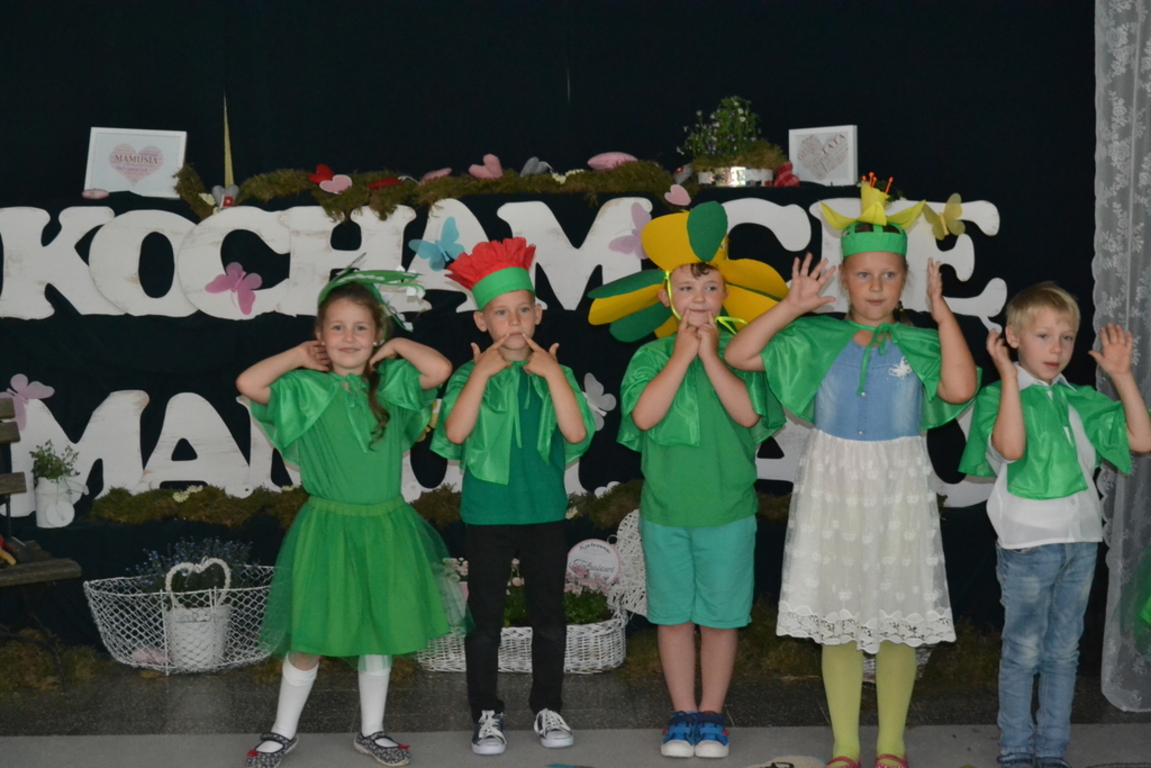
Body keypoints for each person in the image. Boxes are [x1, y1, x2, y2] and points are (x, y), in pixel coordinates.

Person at [724, 182, 979, 768]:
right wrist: (791, 306)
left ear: (904, 281)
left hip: (897, 487)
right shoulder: (816, 337)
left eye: (889, 276)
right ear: (844, 280)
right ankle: (845, 746)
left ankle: (891, 745)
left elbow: (961, 387)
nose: (876, 286)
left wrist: (942, 314)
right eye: (863, 275)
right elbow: (739, 355)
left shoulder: (920, 342)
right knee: (837, 618)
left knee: (895, 617)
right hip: (834, 484)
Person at [237, 272, 460, 768]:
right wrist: (298, 355)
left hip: (385, 527)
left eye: (362, 328)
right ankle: (281, 732)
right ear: (320, 334)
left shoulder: (393, 383)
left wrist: (397, 345)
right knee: (310, 633)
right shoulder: (303, 388)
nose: (349, 338)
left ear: (376, 335)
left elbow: (439, 369)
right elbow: (249, 383)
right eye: (336, 327)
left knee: (378, 632)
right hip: (328, 530)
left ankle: (373, 730)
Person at [588, 201, 786, 759]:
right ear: (665, 298)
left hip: (728, 513)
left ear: (726, 295)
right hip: (666, 514)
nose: (698, 299)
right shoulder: (649, 358)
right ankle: (682, 714)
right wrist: (680, 356)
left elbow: (748, 415)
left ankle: (712, 715)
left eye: (710, 288)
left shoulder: (743, 353)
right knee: (673, 619)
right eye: (686, 288)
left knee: (721, 621)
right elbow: (645, 416)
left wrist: (712, 357)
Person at [958, 282, 1151, 768]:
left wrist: (1122, 376)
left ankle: (1051, 750)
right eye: (1043, 336)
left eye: (1066, 338)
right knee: (1023, 651)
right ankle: (1016, 749)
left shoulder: (1081, 399)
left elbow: (1142, 439)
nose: (1056, 348)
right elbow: (1011, 449)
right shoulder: (996, 397)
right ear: (1013, 337)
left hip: (1081, 542)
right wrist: (1007, 377)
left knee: (1064, 653)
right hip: (1027, 544)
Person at [430, 236, 595, 756]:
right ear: (483, 322)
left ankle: (548, 706)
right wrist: (480, 373)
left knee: (549, 618)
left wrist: (552, 375)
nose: (514, 322)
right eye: (501, 313)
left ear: (539, 314)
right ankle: (486, 712)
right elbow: (455, 433)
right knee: (485, 623)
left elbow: (575, 432)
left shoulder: (556, 373)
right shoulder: (468, 374)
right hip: (488, 516)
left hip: (543, 514)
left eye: (523, 310)